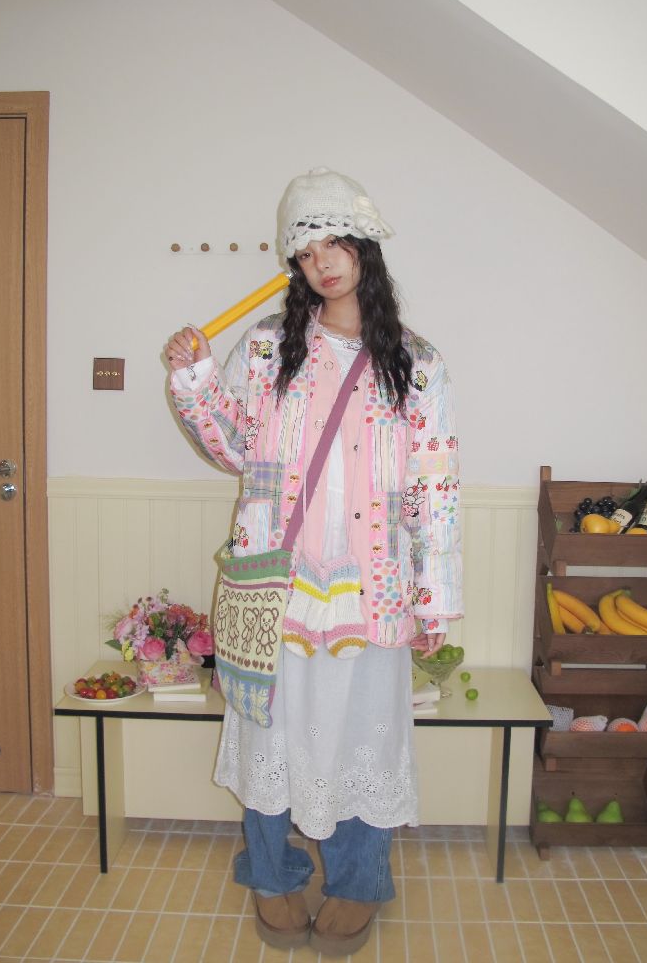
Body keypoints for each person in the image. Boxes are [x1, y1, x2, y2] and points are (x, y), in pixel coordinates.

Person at [165, 167, 462, 957]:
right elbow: (230, 445)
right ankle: (271, 876)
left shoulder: (419, 364)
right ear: (293, 263)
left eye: (335, 243)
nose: (322, 262)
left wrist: (434, 600)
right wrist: (195, 377)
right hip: (279, 583)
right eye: (306, 251)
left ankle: (359, 882)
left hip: (374, 590)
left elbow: (435, 488)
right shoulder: (269, 347)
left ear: (365, 246)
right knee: (270, 732)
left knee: (368, 736)